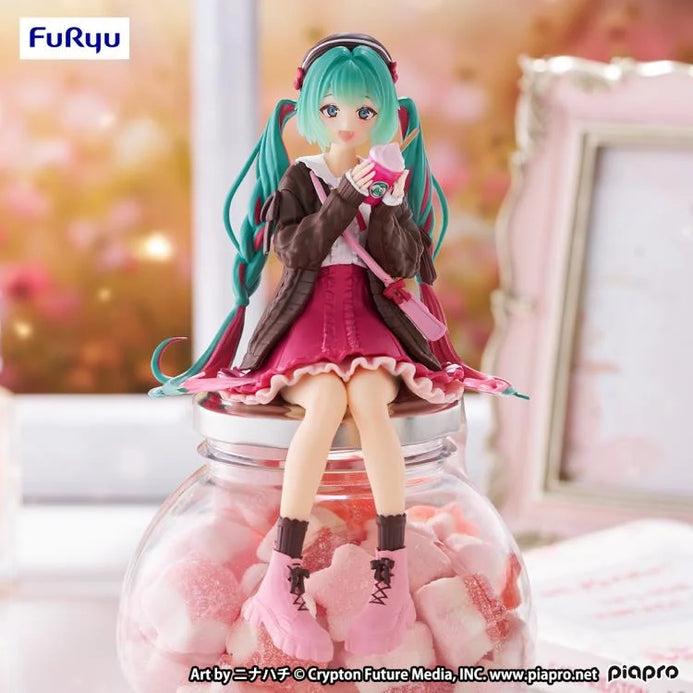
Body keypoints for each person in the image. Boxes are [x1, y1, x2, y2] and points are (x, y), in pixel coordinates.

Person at [150, 33, 522, 663]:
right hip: (309, 324)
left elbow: (401, 264)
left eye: (364, 111)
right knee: (323, 406)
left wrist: (389, 202)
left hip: (372, 326)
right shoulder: (302, 177)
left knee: (371, 402)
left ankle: (390, 571)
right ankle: (284, 573)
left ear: (387, 115)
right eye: (332, 110)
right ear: (309, 113)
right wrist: (348, 191)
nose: (347, 123)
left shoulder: (392, 179)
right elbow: (297, 251)